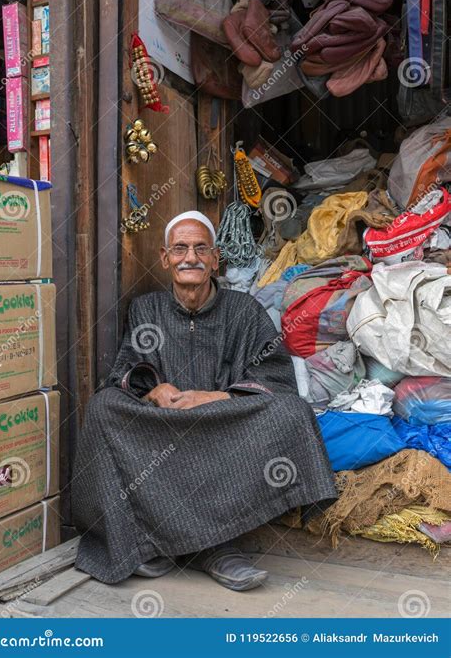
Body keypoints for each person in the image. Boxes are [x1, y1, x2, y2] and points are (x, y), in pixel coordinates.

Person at [72, 211, 336, 591]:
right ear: (165, 258)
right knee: (103, 407)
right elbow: (127, 369)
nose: (190, 257)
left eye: (200, 249)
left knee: (291, 412)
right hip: (164, 425)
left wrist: (215, 397)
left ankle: (213, 546)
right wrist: (153, 388)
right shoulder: (146, 309)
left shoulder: (245, 311)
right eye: (180, 249)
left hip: (222, 427)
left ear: (215, 259)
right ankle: (150, 539)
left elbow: (277, 378)